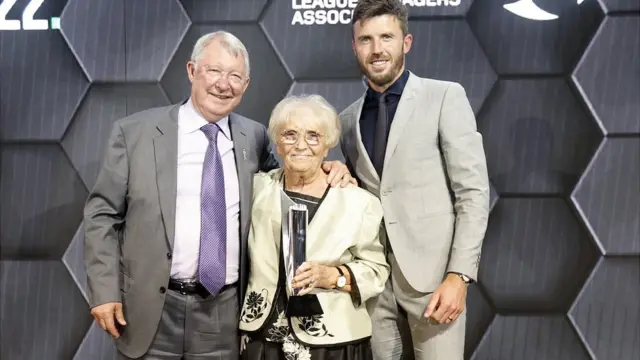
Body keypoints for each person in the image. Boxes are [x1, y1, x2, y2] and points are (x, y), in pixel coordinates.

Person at [83, 31, 353, 360]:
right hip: (149, 308)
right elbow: (102, 215)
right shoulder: (134, 133)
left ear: (247, 84)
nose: (223, 84)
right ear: (191, 70)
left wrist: (328, 167)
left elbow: (290, 176)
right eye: (213, 71)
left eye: (235, 76)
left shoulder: (253, 136)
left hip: (223, 310)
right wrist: (103, 291)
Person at [339, 0, 491, 359]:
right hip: (374, 287)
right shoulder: (347, 120)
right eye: (366, 40)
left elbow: (472, 193)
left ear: (406, 42)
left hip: (435, 282)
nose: (377, 50)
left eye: (387, 37)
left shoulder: (444, 97)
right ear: (354, 46)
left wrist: (459, 276)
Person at [238, 94, 390, 360]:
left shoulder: (358, 202)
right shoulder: (255, 188)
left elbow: (376, 271)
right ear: (277, 142)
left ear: (328, 143)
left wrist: (334, 276)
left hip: (332, 343)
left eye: (313, 136)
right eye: (290, 135)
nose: (300, 145)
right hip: (262, 337)